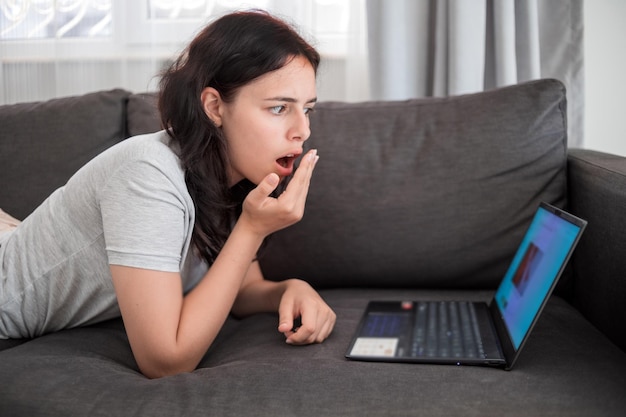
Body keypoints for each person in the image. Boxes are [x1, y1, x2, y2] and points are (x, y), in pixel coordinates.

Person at [0, 10, 336, 378]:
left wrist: (289, 289)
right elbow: (165, 361)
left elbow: (241, 290)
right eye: (279, 108)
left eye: (307, 110)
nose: (302, 130)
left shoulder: (235, 178)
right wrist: (252, 229)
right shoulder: (147, 173)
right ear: (213, 106)